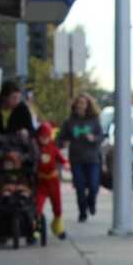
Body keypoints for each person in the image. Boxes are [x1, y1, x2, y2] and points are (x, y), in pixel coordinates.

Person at [56, 92, 103, 223]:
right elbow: (59, 139)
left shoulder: (94, 120)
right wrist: (63, 143)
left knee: (94, 185)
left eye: (83, 103)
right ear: (75, 105)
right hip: (76, 159)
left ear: (88, 105)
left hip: (93, 158)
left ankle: (91, 202)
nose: (81, 105)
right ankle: (82, 211)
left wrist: (94, 138)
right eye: (78, 103)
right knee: (80, 187)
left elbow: (101, 136)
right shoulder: (69, 122)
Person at [35, 121, 67, 240]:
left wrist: (65, 163)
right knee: (38, 207)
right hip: (41, 182)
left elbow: (61, 158)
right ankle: (36, 228)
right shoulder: (35, 148)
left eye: (47, 136)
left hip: (53, 182)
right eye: (42, 136)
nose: (44, 139)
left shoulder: (53, 148)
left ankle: (58, 227)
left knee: (57, 207)